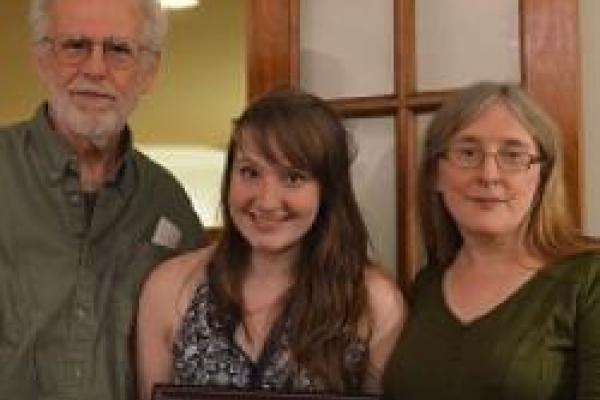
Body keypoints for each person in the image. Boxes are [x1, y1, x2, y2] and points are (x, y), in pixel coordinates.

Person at [136, 88, 406, 400]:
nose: (266, 200)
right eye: (250, 172)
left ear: (328, 191)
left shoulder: (374, 303)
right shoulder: (168, 288)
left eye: (292, 178)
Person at [0, 0, 203, 399]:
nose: (95, 69)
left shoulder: (168, 203)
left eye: (118, 50)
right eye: (75, 45)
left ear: (149, 71)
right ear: (41, 58)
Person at [382, 81, 600, 400]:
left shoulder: (589, 279)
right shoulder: (426, 286)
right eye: (467, 153)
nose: (489, 174)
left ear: (541, 177)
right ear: (435, 175)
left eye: (513, 155)